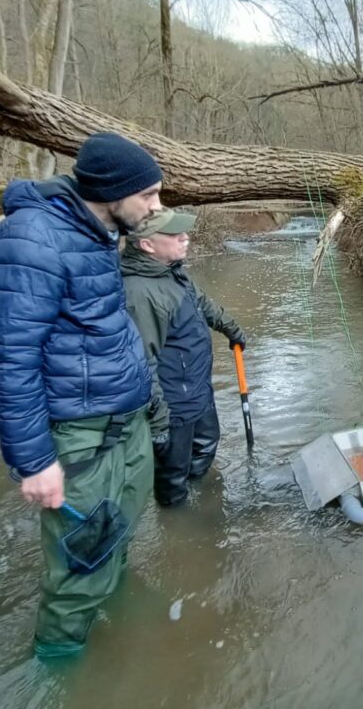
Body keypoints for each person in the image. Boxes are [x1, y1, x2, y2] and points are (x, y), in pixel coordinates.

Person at [0, 131, 163, 658]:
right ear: (110, 192)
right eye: (148, 195)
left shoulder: (99, 231)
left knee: (122, 531)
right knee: (80, 565)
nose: (158, 206)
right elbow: (11, 359)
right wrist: (36, 461)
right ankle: (59, 670)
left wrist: (146, 397)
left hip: (123, 423)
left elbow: (99, 327)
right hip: (80, 437)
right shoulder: (31, 239)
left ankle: (121, 635)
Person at [121, 208, 246, 507]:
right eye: (175, 235)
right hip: (172, 404)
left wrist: (232, 330)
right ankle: (176, 527)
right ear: (148, 245)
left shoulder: (174, 272)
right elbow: (142, 364)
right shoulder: (138, 291)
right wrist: (159, 421)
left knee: (206, 446)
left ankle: (199, 502)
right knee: (172, 477)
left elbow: (203, 305)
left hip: (198, 389)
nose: (186, 238)